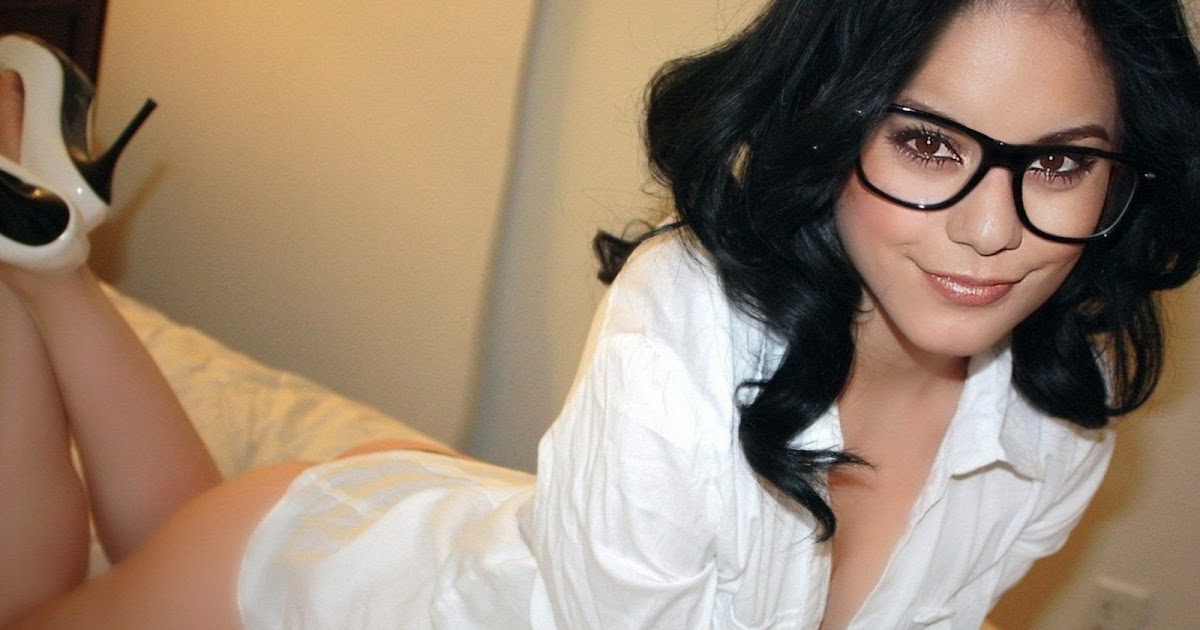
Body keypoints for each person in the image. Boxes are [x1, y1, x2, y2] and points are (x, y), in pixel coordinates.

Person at [1, 0, 1198, 627]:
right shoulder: (682, 316)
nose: (991, 230)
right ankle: (25, 261)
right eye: (930, 144)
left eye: (1060, 163)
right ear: (828, 128)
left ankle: (50, 253)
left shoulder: (1060, 419)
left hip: (445, 528)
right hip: (327, 584)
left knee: (164, 531)